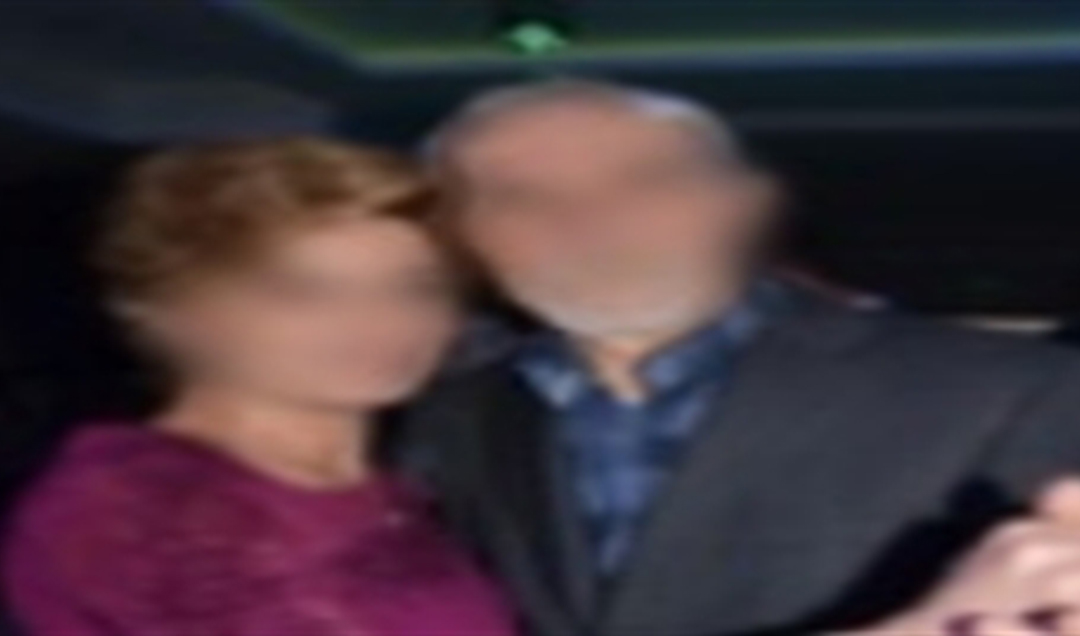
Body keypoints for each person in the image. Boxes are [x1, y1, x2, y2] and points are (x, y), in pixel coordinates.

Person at [398, 79, 1080, 636]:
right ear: (461, 236)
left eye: (645, 179)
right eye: (518, 197)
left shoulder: (1011, 389)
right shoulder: (442, 416)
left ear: (738, 202)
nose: (592, 221)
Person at [2, 138, 518, 636]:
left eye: (413, 288)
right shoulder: (137, 505)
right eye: (303, 292)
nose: (378, 322)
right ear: (161, 311)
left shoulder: (399, 493)